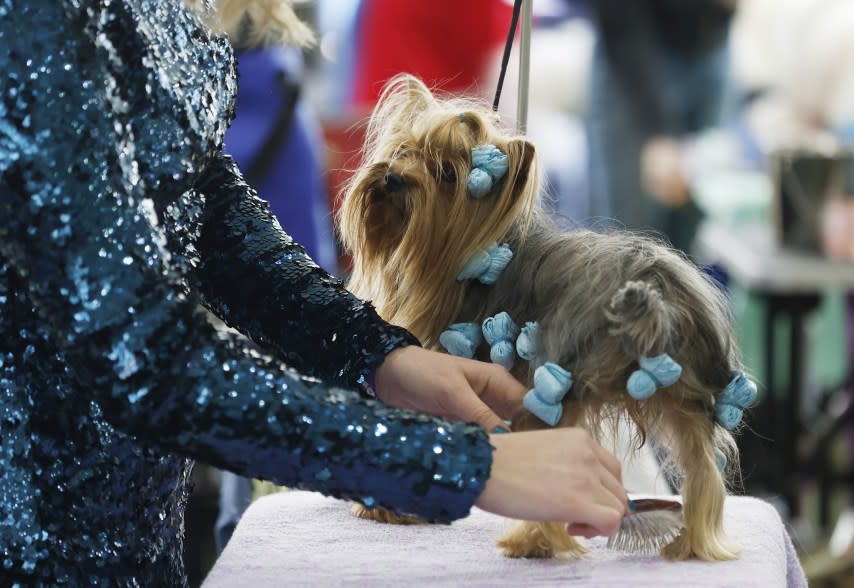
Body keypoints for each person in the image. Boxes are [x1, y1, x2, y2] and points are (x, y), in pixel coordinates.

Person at [0, 1, 626, 585]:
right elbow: (150, 362)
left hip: (144, 534)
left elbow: (210, 216)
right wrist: (462, 465)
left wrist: (380, 354)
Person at [584, 0, 736, 252]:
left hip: (711, 45)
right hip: (634, 52)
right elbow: (618, 14)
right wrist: (657, 130)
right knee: (629, 243)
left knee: (697, 236)